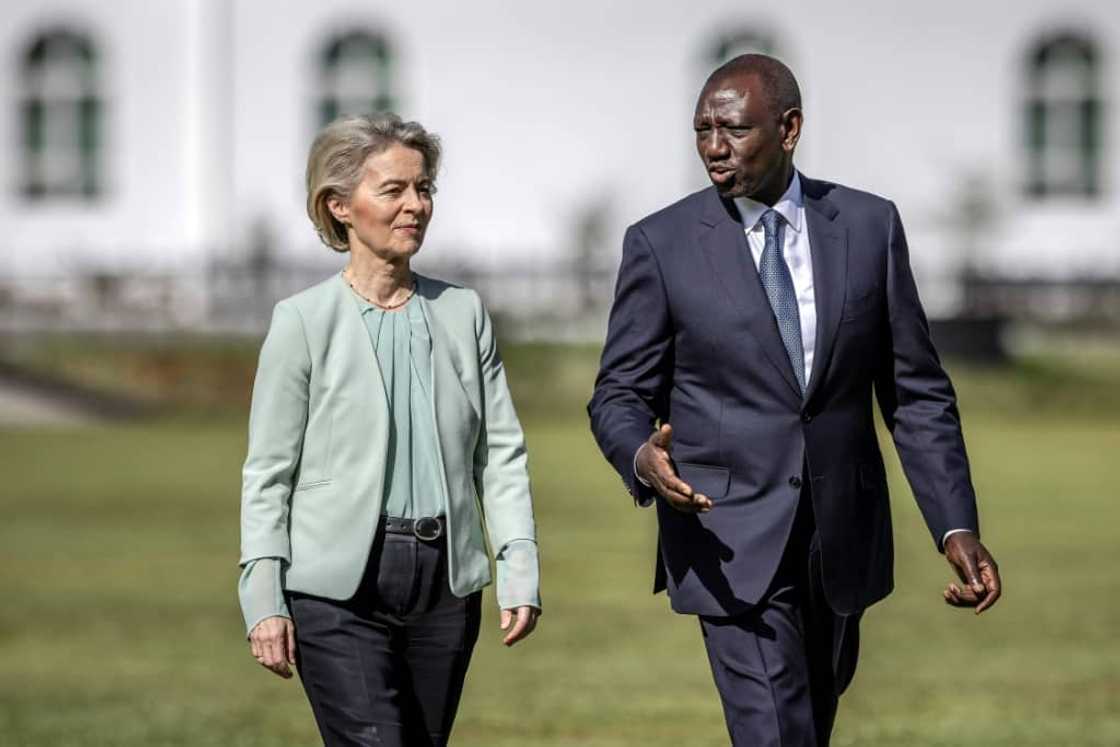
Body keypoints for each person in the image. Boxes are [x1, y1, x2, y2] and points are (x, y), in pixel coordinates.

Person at [588, 54, 1002, 746]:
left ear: (789, 128)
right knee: (777, 732)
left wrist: (955, 524)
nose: (714, 149)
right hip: (725, 536)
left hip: (840, 539)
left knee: (809, 721)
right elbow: (618, 391)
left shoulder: (870, 227)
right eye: (701, 131)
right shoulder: (660, 245)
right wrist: (639, 455)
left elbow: (916, 394)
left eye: (733, 130)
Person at [238, 113, 541, 747]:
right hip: (335, 591)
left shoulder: (463, 313)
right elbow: (268, 473)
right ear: (340, 205)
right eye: (395, 190)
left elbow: (501, 454)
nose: (416, 206)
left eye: (423, 188)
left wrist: (518, 565)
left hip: (445, 587)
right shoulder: (300, 322)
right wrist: (263, 596)